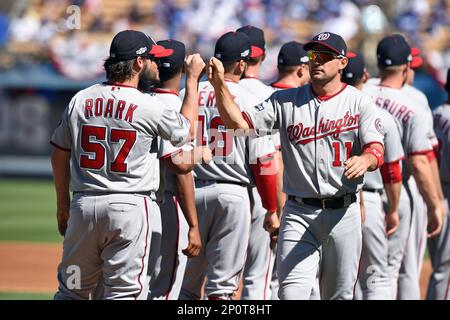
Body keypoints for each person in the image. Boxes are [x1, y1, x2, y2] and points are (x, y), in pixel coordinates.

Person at [208, 31, 386, 300]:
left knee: (337, 296)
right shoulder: (285, 100)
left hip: (343, 212)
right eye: (313, 55)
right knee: (291, 294)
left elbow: (376, 149)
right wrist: (220, 85)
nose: (316, 61)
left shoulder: (359, 101)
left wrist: (365, 159)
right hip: (298, 213)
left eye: (324, 56)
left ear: (341, 63)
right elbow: (240, 125)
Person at [50, 30, 205, 300]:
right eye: (151, 59)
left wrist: (63, 205)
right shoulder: (148, 106)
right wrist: (192, 82)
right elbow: (187, 132)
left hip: (84, 206)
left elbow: (60, 152)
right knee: (125, 293)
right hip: (129, 208)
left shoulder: (81, 99)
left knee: (71, 290)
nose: (156, 65)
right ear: (137, 64)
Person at [179, 31, 277, 300]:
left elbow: (172, 154)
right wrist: (271, 207)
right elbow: (264, 160)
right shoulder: (250, 99)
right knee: (222, 288)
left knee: (185, 286)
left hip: (190, 191)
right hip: (233, 195)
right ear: (243, 65)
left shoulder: (187, 93)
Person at [363, 34, 443, 299]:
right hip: (399, 189)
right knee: (402, 270)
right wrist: (435, 204)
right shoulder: (415, 101)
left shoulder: (361, 91)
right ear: (407, 67)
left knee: (363, 270)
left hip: (359, 190)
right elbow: (421, 161)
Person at [142, 39, 210, 300]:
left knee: (134, 284)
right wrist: (193, 224)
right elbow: (181, 169)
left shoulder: (139, 100)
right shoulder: (173, 108)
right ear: (183, 67)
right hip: (165, 205)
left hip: (136, 203)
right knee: (164, 290)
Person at [342, 52, 403, 299]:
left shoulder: (327, 114)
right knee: (376, 277)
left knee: (342, 278)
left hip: (333, 199)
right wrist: (395, 208)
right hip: (371, 199)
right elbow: (392, 171)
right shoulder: (381, 116)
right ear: (365, 76)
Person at [236, 24, 280, 300]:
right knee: (257, 277)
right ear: (262, 56)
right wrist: (272, 206)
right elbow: (266, 160)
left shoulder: (202, 91)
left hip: (197, 189)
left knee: (201, 277)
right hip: (252, 192)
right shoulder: (268, 96)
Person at [427, 68, 450, 300]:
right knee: (445, 270)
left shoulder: (434, 114)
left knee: (440, 266)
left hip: (432, 192)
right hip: (446, 195)